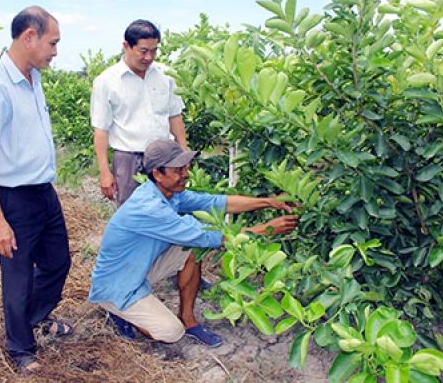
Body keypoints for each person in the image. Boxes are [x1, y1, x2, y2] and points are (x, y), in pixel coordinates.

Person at [88, 139, 300, 347]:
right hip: (116, 285)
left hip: (139, 270)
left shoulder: (170, 194)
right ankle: (118, 310)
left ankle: (187, 318)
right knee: (172, 332)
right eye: (177, 170)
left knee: (193, 250)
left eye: (185, 168)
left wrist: (269, 202)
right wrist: (266, 230)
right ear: (157, 174)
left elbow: (215, 202)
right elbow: (207, 236)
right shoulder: (150, 207)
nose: (185, 174)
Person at [0, 6, 73, 375]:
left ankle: (33, 316)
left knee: (58, 262)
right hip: (14, 198)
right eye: (52, 43)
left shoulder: (33, 77)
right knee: (18, 278)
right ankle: (21, 349)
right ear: (29, 37)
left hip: (43, 192)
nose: (55, 52)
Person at [90, 19, 187, 207]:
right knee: (132, 213)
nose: (149, 57)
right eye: (143, 51)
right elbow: (101, 130)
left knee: (169, 210)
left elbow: (175, 116)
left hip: (166, 158)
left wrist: (183, 154)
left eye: (154, 50)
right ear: (126, 46)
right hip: (129, 160)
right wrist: (105, 172)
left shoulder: (166, 75)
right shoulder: (107, 81)